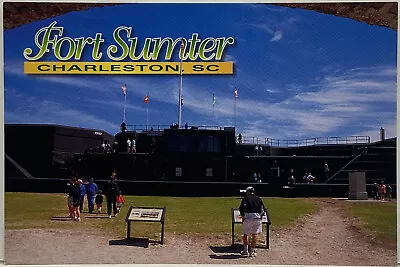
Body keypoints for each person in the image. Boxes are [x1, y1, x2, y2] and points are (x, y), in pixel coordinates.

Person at [238, 186, 266, 257]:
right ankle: (252, 251)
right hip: (257, 217)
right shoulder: (259, 198)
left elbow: (241, 208)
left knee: (245, 234)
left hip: (248, 217)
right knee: (254, 234)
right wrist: (261, 217)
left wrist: (243, 216)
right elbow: (262, 209)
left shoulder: (245, 198)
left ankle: (245, 251)